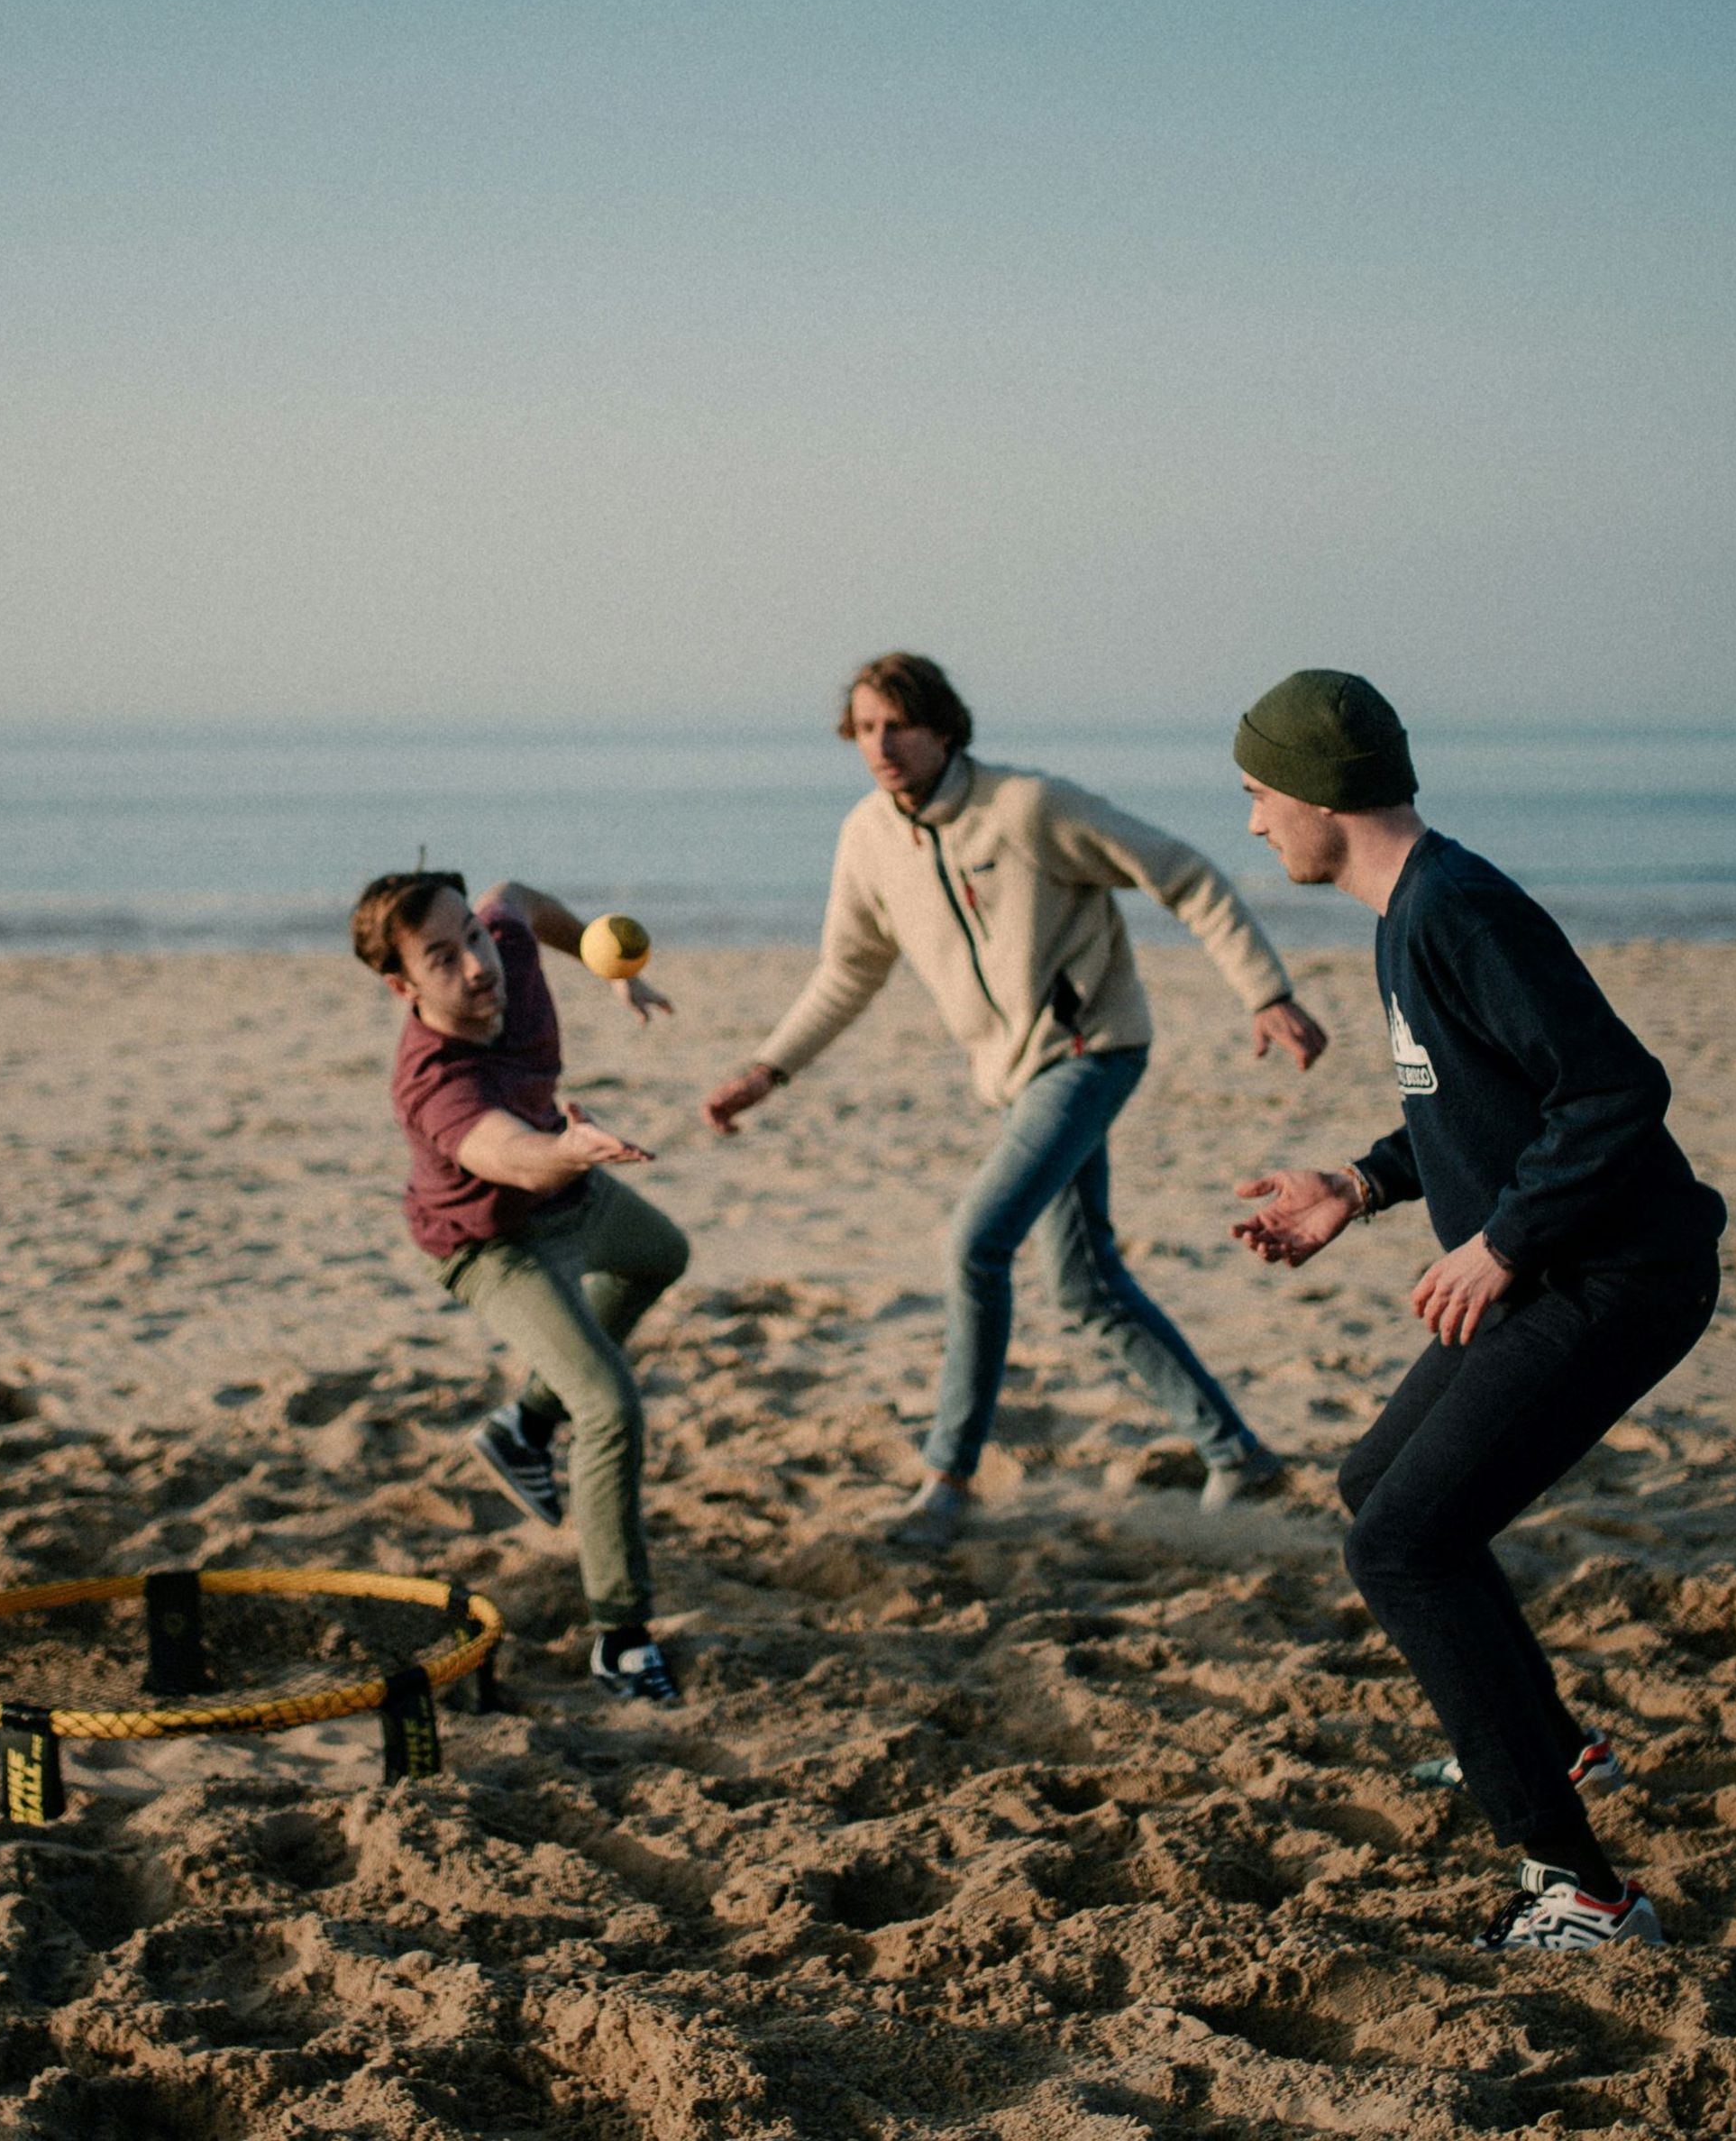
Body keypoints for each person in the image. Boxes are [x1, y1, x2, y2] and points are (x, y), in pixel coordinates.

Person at [1225, 670, 1723, 1953]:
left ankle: (1586, 1892)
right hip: (1561, 1265)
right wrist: (1359, 1182)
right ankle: (1558, 1746)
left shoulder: (1458, 911)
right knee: (1378, 1482)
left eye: (1260, 798)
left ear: (1324, 796)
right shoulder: (1408, 911)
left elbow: (1615, 1090)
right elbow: (1476, 1100)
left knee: (1404, 1545)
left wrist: (1501, 1241)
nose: (1254, 826)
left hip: (1617, 1276)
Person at [703, 652, 1322, 1542]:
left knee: (974, 1243)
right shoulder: (869, 838)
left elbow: (1180, 873)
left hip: (1089, 1052)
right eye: (866, 728)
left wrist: (1264, 990)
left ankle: (947, 1479)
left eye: (898, 725)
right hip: (1011, 1079)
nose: (879, 744)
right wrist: (766, 1070)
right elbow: (848, 970)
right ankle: (1239, 1457)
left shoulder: (1028, 808)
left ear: (943, 727)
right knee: (1086, 1285)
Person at [354, 868, 691, 1706]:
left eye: (468, 934)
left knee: (661, 1254)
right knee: (609, 1407)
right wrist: (568, 1152)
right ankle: (621, 1637)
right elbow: (505, 1154)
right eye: (442, 958)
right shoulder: (433, 1083)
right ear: (403, 986)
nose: (476, 964)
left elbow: (519, 896)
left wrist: (602, 962)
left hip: (574, 1191)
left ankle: (522, 1428)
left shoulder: (499, 943)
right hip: (490, 1241)